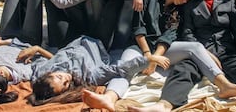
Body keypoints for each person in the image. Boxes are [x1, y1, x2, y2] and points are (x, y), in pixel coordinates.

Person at [81, 0, 236, 112]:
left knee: (195, 47)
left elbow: (169, 36)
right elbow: (138, 27)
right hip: (139, 48)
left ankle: (223, 84)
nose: (185, 1)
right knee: (124, 67)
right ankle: (109, 98)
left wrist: (157, 57)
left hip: (161, 51)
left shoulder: (178, 11)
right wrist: (149, 56)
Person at [25, 35, 167, 106]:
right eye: (65, 85)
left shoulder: (40, 72)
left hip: (77, 37)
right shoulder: (86, 76)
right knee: (118, 2)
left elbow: (41, 61)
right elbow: (117, 68)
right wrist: (149, 59)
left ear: (49, 74)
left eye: (60, 77)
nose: (66, 79)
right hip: (101, 41)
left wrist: (37, 49)